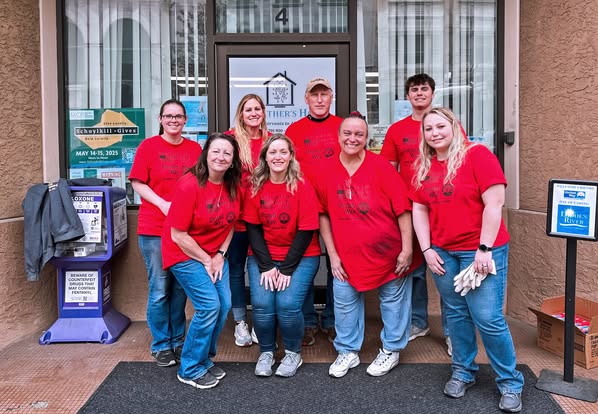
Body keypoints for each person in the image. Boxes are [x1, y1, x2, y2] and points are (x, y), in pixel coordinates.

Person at [410, 107, 523, 413]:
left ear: (454, 126)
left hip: (481, 251)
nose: (435, 133)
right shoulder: (424, 165)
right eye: (428, 129)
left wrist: (484, 248)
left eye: (440, 126)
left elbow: (495, 203)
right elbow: (419, 209)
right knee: (456, 314)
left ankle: (510, 382)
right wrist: (426, 249)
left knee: (487, 318)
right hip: (443, 252)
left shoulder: (478, 155)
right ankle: (463, 371)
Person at [315, 112, 415, 378]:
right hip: (346, 255)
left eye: (359, 134)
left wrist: (407, 249)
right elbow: (322, 214)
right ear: (338, 136)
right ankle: (347, 350)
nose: (353, 138)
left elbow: (403, 210)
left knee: (393, 302)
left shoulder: (381, 166)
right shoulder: (325, 170)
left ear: (367, 138)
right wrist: (332, 255)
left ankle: (391, 349)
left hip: (389, 251)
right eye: (347, 133)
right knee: (344, 302)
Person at [380, 73, 456, 355]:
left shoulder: (447, 126)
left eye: (424, 89)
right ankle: (418, 322)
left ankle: (452, 332)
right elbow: (387, 170)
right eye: (414, 89)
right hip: (408, 210)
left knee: (447, 271)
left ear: (432, 94)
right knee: (414, 271)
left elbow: (460, 160)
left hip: (443, 208)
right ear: (408, 96)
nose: (419, 93)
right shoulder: (396, 130)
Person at [161, 132, 242, 389]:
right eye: (216, 151)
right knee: (208, 306)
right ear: (206, 154)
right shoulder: (189, 185)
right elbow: (177, 234)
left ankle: (204, 358)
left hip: (214, 254)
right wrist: (207, 260)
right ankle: (189, 368)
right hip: (183, 253)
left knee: (224, 304)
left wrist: (220, 255)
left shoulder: (232, 185)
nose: (221, 157)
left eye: (227, 153)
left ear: (233, 160)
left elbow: (230, 224)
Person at [129, 98, 202, 367]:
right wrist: (162, 204)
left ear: (185, 120)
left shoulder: (194, 149)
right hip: (154, 229)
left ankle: (178, 340)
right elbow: (137, 182)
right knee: (160, 289)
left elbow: (201, 184)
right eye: (168, 116)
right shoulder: (148, 147)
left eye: (178, 116)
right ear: (160, 119)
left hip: (184, 231)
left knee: (180, 288)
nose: (173, 120)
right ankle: (161, 344)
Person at [243, 134, 321, 378]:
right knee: (262, 305)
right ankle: (267, 351)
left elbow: (307, 230)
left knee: (287, 305)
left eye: (283, 152)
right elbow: (253, 229)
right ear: (265, 157)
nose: (278, 157)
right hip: (263, 255)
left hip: (301, 256)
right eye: (273, 152)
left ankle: (292, 353)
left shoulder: (302, 185)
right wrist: (267, 266)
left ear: (291, 157)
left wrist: (286, 268)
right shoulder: (255, 186)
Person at [285, 77, 343, 346]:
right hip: (304, 208)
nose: (320, 100)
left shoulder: (342, 126)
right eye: (314, 95)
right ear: (306, 99)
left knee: (337, 265)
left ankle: (332, 320)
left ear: (331, 97)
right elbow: (287, 169)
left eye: (324, 94)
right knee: (304, 264)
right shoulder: (294, 130)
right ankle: (307, 320)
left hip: (337, 207)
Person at [225, 94, 271, 347]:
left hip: (264, 220)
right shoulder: (230, 140)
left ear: (263, 112)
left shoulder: (270, 140)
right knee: (235, 270)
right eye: (248, 109)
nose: (253, 113)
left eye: (257, 109)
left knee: (261, 269)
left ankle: (261, 321)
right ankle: (240, 321)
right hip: (236, 220)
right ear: (241, 114)